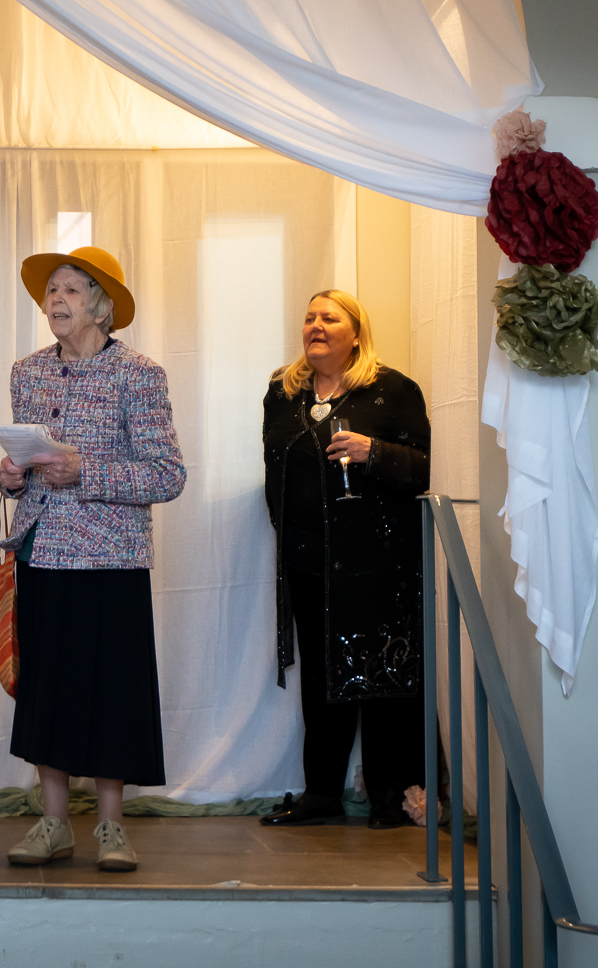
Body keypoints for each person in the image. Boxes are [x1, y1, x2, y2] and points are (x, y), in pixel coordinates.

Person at [0, 247, 185, 874]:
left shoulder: (140, 374)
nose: (56, 298)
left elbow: (168, 475)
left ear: (102, 308)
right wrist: (12, 478)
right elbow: (26, 466)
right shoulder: (27, 372)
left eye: (72, 289)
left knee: (113, 693)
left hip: (112, 559)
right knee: (47, 690)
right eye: (52, 289)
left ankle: (111, 825)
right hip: (43, 553)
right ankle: (53, 823)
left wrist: (88, 471)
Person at [257, 290, 431, 830]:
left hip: (377, 562)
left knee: (382, 677)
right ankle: (322, 794)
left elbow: (425, 469)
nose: (316, 325)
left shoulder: (393, 389)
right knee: (321, 680)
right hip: (308, 561)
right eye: (310, 317)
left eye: (329, 318)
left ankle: (388, 798)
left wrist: (371, 452)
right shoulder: (282, 392)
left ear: (356, 334)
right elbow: (273, 468)